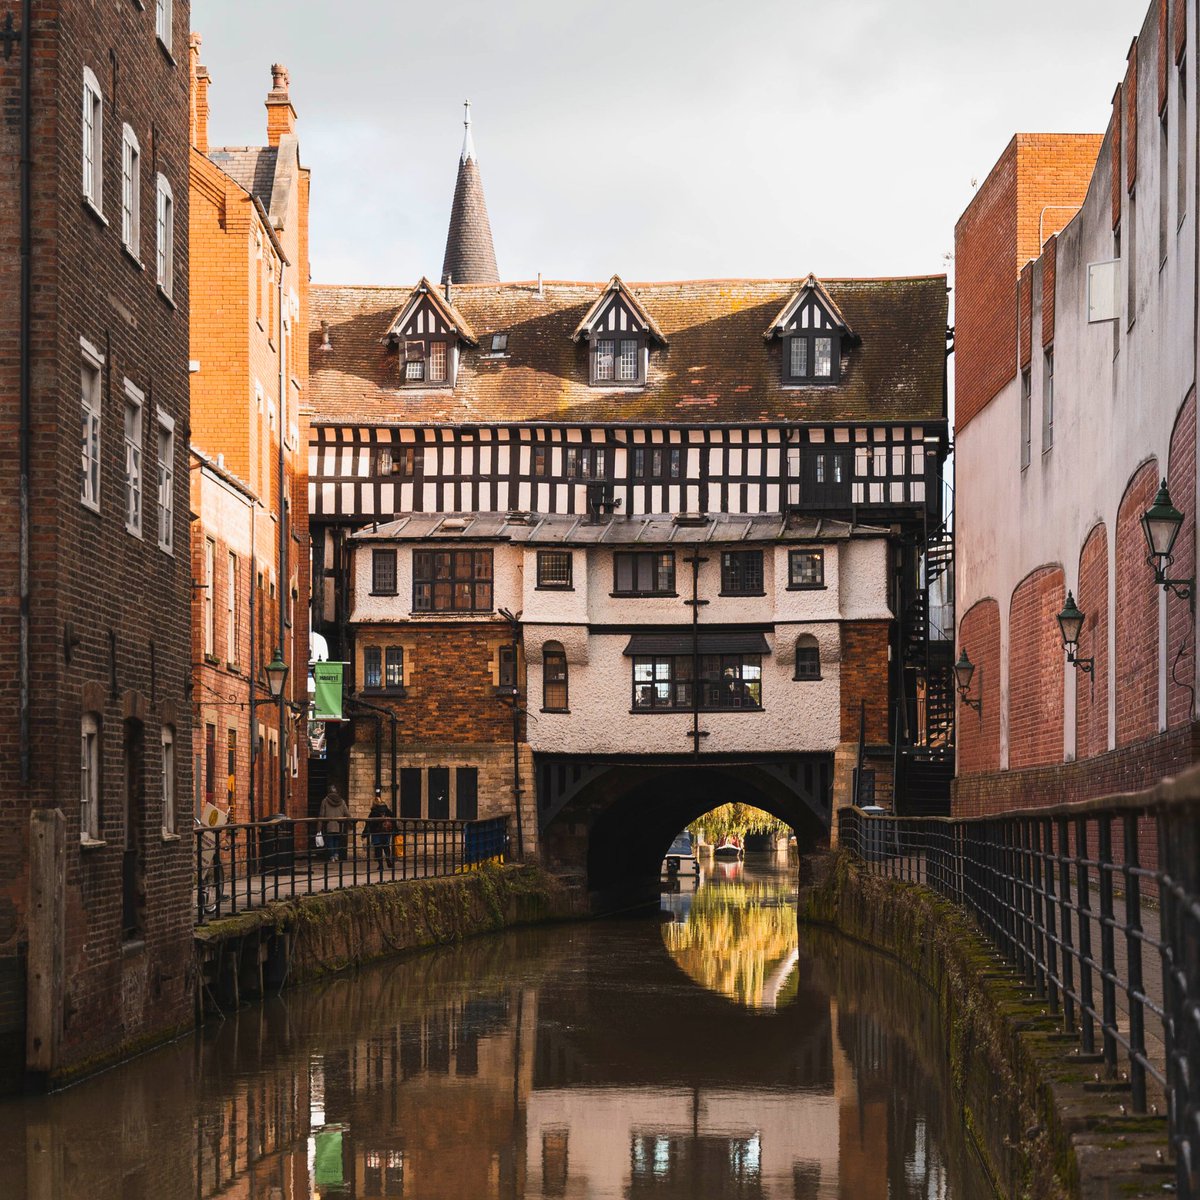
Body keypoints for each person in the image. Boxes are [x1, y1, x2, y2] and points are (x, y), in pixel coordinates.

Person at [318, 784, 351, 862]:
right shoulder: (342, 801)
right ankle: (336, 855)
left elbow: (321, 814)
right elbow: (347, 813)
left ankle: (332, 856)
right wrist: (351, 823)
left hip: (329, 825)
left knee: (330, 841)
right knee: (337, 841)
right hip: (339, 825)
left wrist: (319, 827)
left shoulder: (325, 801)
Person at [366, 789, 395, 869]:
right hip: (386, 831)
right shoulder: (387, 810)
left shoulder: (374, 811)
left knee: (378, 848)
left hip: (376, 832)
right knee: (386, 846)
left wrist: (365, 833)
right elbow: (393, 819)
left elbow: (368, 822)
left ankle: (381, 865)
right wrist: (395, 830)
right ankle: (388, 859)